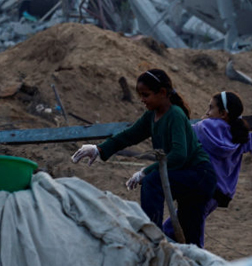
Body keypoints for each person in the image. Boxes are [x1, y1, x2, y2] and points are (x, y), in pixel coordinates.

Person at [71, 68, 216, 248]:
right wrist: (99, 149)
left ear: (162, 93)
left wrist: (145, 171)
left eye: (145, 95)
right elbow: (129, 135)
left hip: (199, 175)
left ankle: (151, 239)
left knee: (153, 182)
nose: (142, 100)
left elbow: (179, 155)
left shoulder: (175, 115)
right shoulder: (152, 116)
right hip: (184, 174)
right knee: (188, 238)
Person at [163, 91, 252, 242]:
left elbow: (180, 135)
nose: (207, 112)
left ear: (223, 113)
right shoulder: (241, 136)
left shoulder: (202, 128)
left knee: (183, 233)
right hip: (219, 195)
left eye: (211, 108)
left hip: (200, 190)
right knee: (180, 227)